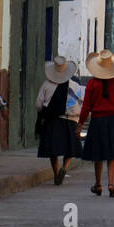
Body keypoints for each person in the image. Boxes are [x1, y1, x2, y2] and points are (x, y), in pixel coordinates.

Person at [78, 49, 114, 198]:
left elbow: (86, 107)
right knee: (112, 155)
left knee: (98, 155)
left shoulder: (91, 84)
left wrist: (79, 124)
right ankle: (111, 183)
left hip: (98, 122)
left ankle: (98, 184)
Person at [35, 54, 83, 184]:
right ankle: (64, 167)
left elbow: (39, 104)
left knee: (53, 150)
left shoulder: (46, 84)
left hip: (53, 120)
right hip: (71, 120)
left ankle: (56, 173)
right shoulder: (75, 86)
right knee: (70, 149)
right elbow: (80, 103)